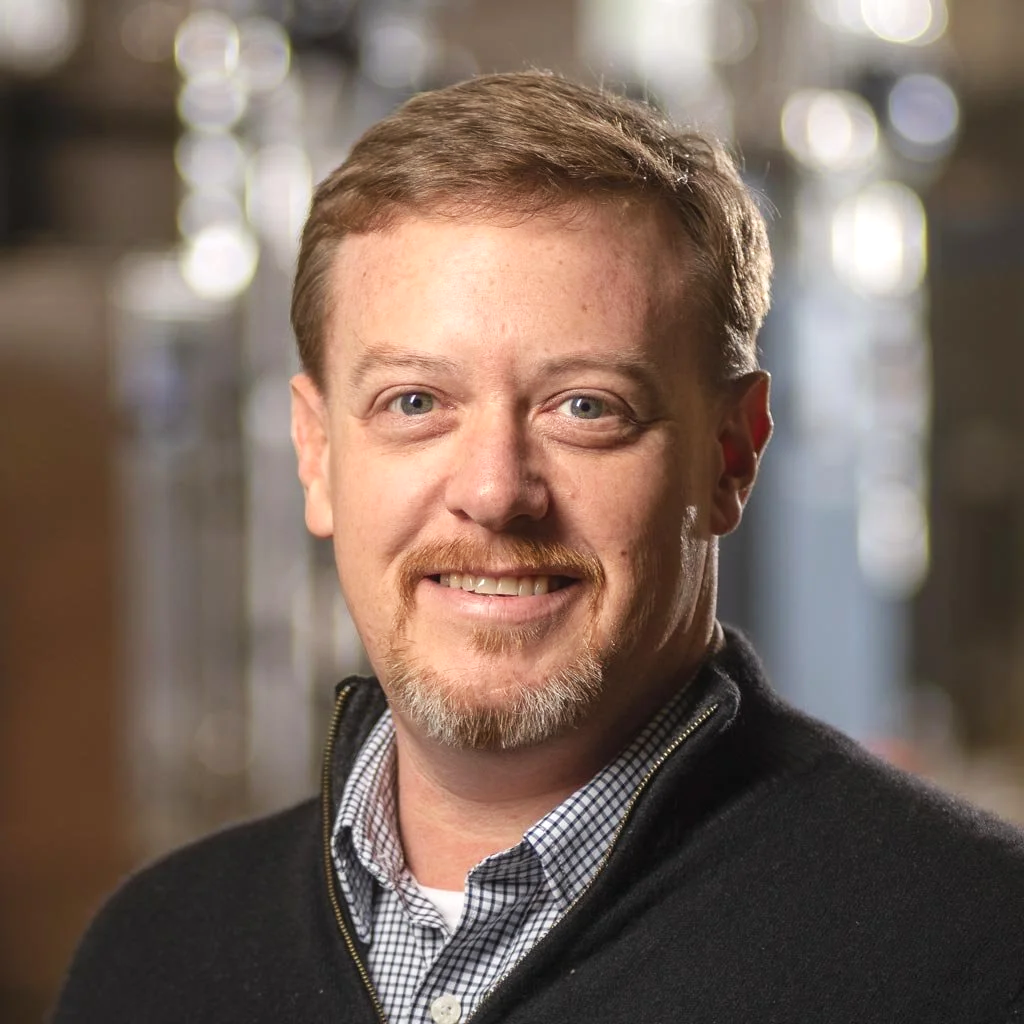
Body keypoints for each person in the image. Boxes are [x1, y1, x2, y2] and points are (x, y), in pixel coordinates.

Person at [55, 71, 1024, 1024]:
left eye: (585, 407)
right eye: (415, 402)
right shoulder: (158, 956)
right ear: (316, 453)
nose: (493, 492)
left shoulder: (973, 955)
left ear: (731, 454)